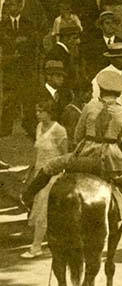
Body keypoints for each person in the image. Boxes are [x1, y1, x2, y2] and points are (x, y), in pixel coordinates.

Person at [21, 69, 122, 232]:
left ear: (101, 88)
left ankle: (27, 195)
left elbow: (78, 134)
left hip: (85, 154)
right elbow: (121, 139)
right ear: (118, 93)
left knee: (50, 166)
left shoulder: (89, 106)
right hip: (111, 160)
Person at [21, 100, 68, 259]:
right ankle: (49, 241)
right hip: (39, 174)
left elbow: (64, 156)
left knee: (43, 210)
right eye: (36, 111)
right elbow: (37, 153)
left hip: (53, 176)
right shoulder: (39, 127)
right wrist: (31, 171)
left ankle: (36, 247)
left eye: (40, 111)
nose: (37, 114)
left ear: (50, 112)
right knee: (39, 208)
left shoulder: (59, 130)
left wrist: (62, 175)